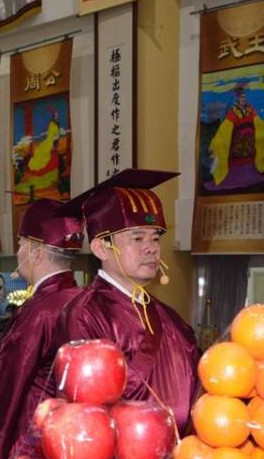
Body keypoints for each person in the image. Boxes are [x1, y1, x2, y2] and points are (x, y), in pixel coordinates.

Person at [52, 169, 201, 431]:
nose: (151, 247)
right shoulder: (83, 314)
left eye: (155, 238)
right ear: (100, 248)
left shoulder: (170, 317)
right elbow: (88, 410)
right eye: (137, 238)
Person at [0, 199, 84, 459]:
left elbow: (8, 384)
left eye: (21, 243)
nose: (18, 251)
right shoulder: (84, 300)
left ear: (37, 253)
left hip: (34, 442)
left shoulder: (39, 311)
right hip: (76, 438)